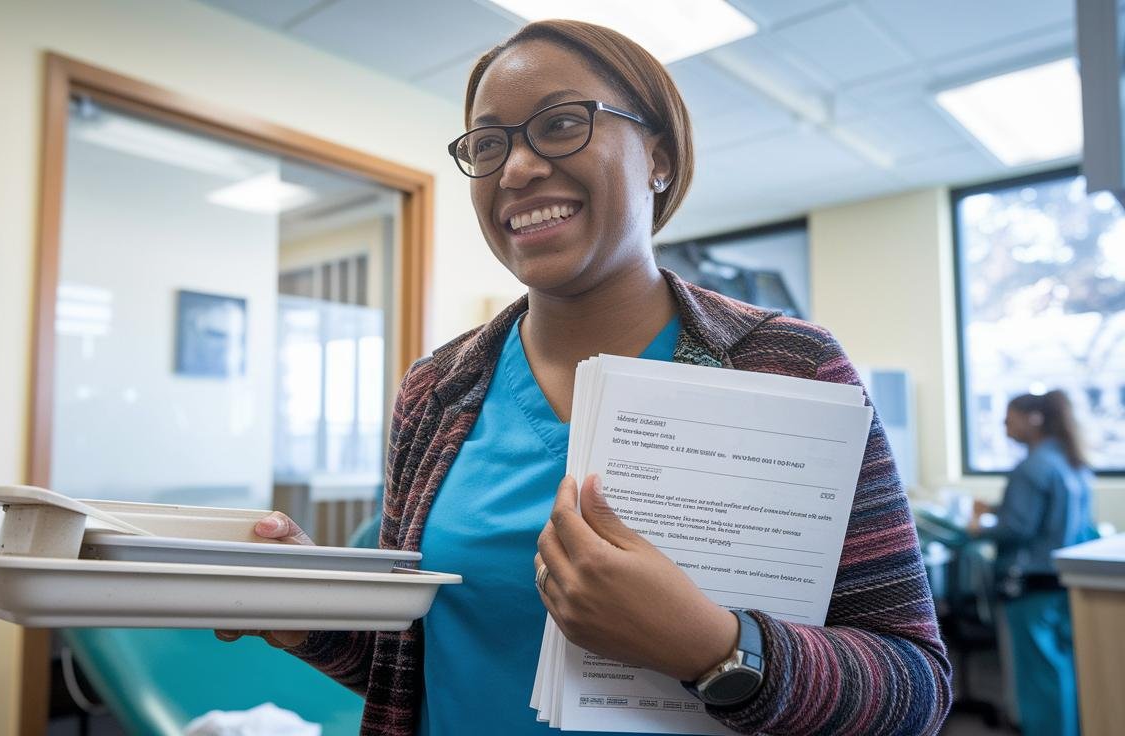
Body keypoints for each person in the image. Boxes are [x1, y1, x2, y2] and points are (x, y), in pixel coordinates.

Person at [218, 20, 952, 735]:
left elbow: (915, 687)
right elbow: (410, 666)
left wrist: (715, 647)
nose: (517, 168)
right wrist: (305, 613)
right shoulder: (436, 389)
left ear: (658, 156)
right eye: (488, 143)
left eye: (562, 124)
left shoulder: (791, 365)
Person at [971, 390, 1095, 736]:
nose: (1004, 426)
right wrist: (998, 509)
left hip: (1029, 583)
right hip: (1062, 581)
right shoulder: (1071, 462)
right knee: (1059, 667)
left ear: (1032, 418)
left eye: (1009, 418)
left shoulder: (1031, 467)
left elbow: (1019, 528)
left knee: (1037, 674)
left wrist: (978, 530)